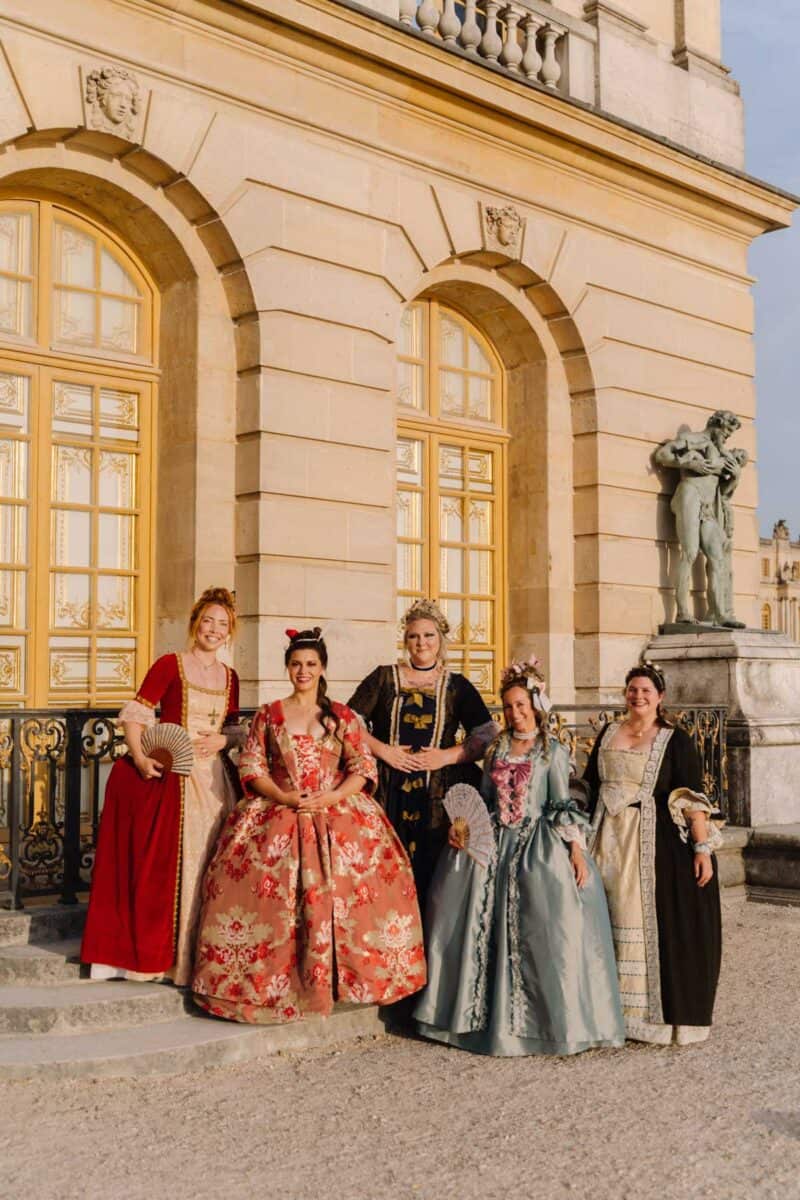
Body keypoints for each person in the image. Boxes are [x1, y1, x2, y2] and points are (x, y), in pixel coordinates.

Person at [192, 627, 426, 1024]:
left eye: (311, 664)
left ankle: (346, 982)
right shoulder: (269, 713)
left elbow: (362, 767)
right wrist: (284, 797)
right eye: (296, 664)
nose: (303, 671)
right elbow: (252, 765)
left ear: (322, 669)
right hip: (279, 809)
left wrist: (332, 797)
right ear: (287, 668)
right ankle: (272, 988)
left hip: (336, 810)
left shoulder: (342, 716)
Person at [413, 658, 625, 1057]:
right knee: (468, 918)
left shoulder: (552, 751)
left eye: (520, 705)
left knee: (545, 926)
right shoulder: (495, 748)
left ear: (535, 706)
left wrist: (576, 851)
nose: (514, 713)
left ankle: (542, 1024)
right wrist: (464, 828)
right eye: (508, 707)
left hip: (537, 845)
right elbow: (483, 799)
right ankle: (473, 1018)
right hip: (492, 844)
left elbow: (563, 803)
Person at [81, 587, 242, 985]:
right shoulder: (171, 665)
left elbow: (235, 728)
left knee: (211, 864)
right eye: (208, 621)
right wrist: (138, 756)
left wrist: (225, 740)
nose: (214, 630)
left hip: (215, 780)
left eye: (222, 625)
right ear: (194, 623)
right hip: (176, 779)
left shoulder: (231, 677)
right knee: (174, 865)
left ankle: (200, 959)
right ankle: (166, 959)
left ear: (229, 633)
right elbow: (136, 714)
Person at [583, 662, 723, 1045]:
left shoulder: (674, 739)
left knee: (639, 918)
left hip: (647, 842)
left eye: (646, 690)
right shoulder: (609, 732)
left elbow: (690, 795)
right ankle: (600, 1011)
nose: (638, 696)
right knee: (598, 913)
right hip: (603, 838)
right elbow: (590, 786)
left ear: (660, 697)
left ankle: (645, 1019)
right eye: (632, 689)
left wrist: (701, 847)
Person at [348, 599, 498, 910]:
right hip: (387, 789)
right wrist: (384, 751)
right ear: (406, 640)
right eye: (415, 636)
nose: (422, 643)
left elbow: (486, 734)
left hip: (437, 793)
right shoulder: (384, 677)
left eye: (429, 635)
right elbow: (347, 722)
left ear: (440, 640)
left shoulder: (456, 686)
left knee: (432, 873)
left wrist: (446, 756)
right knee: (383, 864)